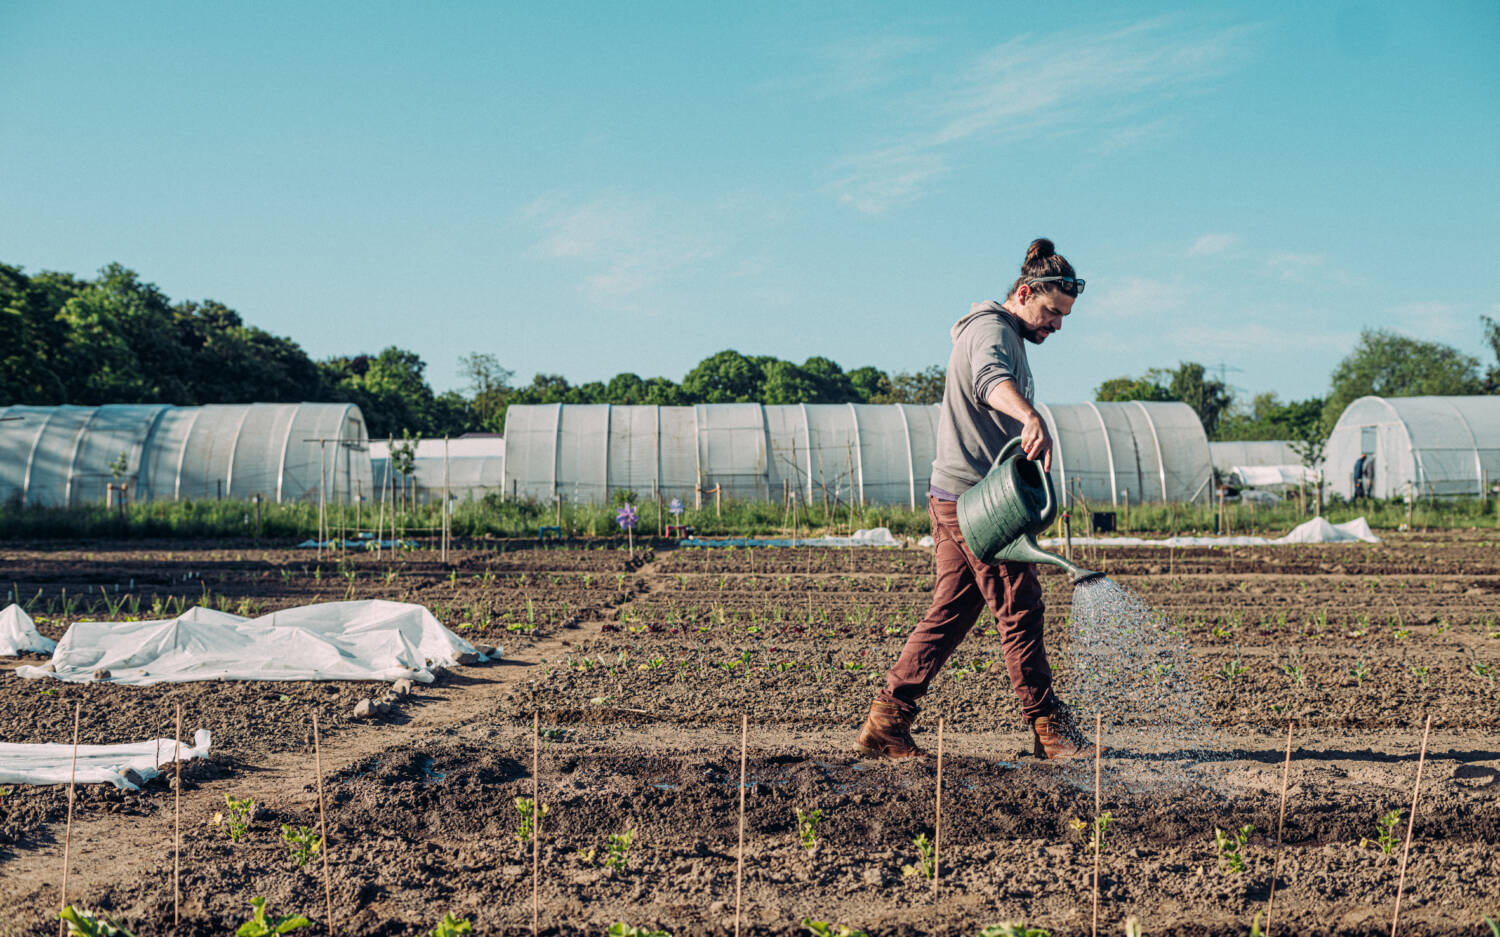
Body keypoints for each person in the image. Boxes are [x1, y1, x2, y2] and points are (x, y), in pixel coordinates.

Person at [854, 237, 1103, 761]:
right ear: (1023, 292)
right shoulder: (990, 331)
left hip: (954, 495)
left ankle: (886, 721)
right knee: (1020, 606)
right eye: (1051, 312)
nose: (1056, 325)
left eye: (1063, 316)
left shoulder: (1003, 330)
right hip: (977, 502)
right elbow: (991, 382)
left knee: (952, 610)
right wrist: (1030, 417)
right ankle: (1048, 729)